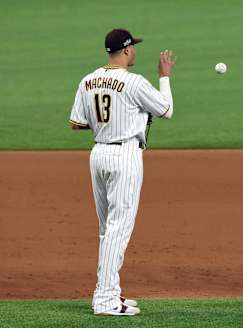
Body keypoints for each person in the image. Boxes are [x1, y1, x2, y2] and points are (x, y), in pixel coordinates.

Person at [69, 28, 176, 315]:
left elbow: (77, 123)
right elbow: (166, 109)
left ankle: (110, 292)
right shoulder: (134, 82)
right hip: (124, 156)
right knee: (118, 230)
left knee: (108, 229)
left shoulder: (88, 80)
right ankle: (105, 300)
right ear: (127, 50)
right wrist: (164, 75)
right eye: (134, 48)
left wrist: (110, 120)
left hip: (98, 154)